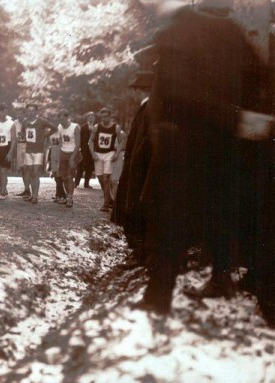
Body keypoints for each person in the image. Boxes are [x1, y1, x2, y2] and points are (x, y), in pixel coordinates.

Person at [137, 1, 274, 326]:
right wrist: (250, 117)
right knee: (222, 216)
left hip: (184, 144)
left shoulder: (177, 31)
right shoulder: (230, 32)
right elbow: (260, 76)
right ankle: (228, 283)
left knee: (170, 221)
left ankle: (160, 296)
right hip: (224, 146)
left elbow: (177, 90)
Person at [112, 71, 154, 266]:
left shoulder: (148, 109)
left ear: (141, 90)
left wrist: (133, 164)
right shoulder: (148, 108)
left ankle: (139, 254)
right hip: (138, 166)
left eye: (136, 90)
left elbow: (142, 142)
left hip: (139, 168)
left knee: (135, 208)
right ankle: (138, 252)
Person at [21, 103, 57, 204]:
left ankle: (35, 196)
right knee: (31, 172)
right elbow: (23, 132)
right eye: (29, 110)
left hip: (38, 151)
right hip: (28, 150)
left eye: (33, 110)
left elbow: (54, 128)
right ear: (27, 111)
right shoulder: (25, 122)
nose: (30, 112)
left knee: (36, 172)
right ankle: (33, 195)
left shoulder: (41, 121)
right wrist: (25, 138)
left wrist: (45, 135)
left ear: (36, 112)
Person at [89, 107, 122, 212]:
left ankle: (106, 204)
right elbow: (91, 141)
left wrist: (116, 154)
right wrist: (92, 153)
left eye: (106, 117)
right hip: (98, 154)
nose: (104, 119)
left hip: (109, 153)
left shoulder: (116, 128)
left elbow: (121, 142)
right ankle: (110, 199)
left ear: (110, 116)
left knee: (105, 178)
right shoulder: (96, 127)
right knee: (100, 178)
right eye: (102, 117)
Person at [0, 103, 15, 200]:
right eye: (1, 111)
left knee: (4, 171)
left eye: (5, 111)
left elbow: (13, 139)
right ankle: (1, 187)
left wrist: (10, 152)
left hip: (6, 147)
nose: (3, 113)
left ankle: (3, 191)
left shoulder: (11, 123)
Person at [57, 110, 81, 208]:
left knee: (70, 176)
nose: (61, 122)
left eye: (63, 119)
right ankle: (67, 196)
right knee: (63, 177)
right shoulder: (59, 127)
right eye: (60, 119)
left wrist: (73, 157)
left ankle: (70, 198)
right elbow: (60, 141)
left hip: (73, 152)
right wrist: (60, 153)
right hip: (63, 152)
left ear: (67, 118)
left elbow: (78, 143)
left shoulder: (75, 127)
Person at [13, 107, 30, 197]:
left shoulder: (28, 122)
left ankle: (28, 189)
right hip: (19, 145)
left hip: (27, 145)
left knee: (26, 168)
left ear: (24, 114)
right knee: (22, 169)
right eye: (18, 114)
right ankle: (26, 188)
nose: (19, 115)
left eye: (21, 114)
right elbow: (14, 137)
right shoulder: (15, 123)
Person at [75, 112, 95, 189]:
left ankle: (86, 184)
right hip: (83, 150)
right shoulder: (82, 128)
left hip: (91, 150)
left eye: (92, 117)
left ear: (94, 119)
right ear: (87, 118)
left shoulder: (96, 128)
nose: (91, 119)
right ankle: (76, 183)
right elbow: (79, 139)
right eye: (89, 117)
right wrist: (79, 148)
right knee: (80, 167)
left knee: (89, 168)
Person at [47, 125, 65, 204]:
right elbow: (50, 145)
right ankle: (60, 194)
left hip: (60, 155)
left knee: (59, 176)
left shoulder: (62, 130)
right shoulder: (50, 131)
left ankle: (61, 195)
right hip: (53, 155)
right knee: (55, 176)